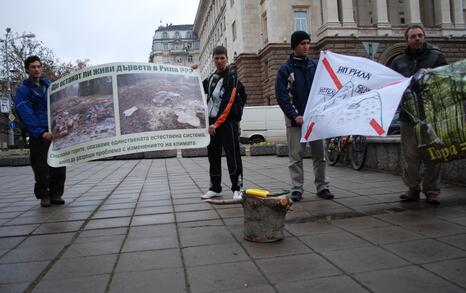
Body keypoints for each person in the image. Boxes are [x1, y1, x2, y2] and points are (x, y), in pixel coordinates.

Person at [390, 25, 447, 204]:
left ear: (425, 37)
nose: (417, 38)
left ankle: (432, 190)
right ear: (407, 40)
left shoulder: (436, 56)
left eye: (420, 35)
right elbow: (391, 85)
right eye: (413, 36)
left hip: (432, 114)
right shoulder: (399, 61)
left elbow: (446, 80)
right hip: (408, 116)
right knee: (410, 155)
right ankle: (412, 188)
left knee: (434, 154)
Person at [275, 31, 333, 202]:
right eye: (302, 43)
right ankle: (297, 189)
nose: (306, 46)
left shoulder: (315, 66)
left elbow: (325, 89)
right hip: (296, 121)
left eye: (308, 43)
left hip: (315, 121)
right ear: (294, 46)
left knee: (320, 155)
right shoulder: (285, 69)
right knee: (295, 156)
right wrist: (295, 116)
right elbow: (282, 96)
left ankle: (322, 187)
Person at [14, 56, 66, 207]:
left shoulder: (50, 86)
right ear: (27, 70)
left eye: (38, 66)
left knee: (58, 163)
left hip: (54, 130)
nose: (36, 69)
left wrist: (60, 127)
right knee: (41, 166)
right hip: (39, 134)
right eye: (33, 67)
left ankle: (56, 193)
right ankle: (44, 195)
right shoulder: (23, 91)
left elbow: (59, 105)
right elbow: (26, 113)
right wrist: (40, 132)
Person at [200, 46, 247, 200]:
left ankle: (237, 188)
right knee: (213, 156)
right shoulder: (211, 78)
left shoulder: (232, 78)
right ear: (213, 59)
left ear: (227, 59)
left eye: (222, 58)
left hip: (227, 123)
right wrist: (191, 72)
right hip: (212, 123)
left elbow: (228, 103)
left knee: (233, 156)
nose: (219, 61)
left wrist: (217, 124)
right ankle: (215, 187)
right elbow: (196, 88)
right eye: (216, 58)